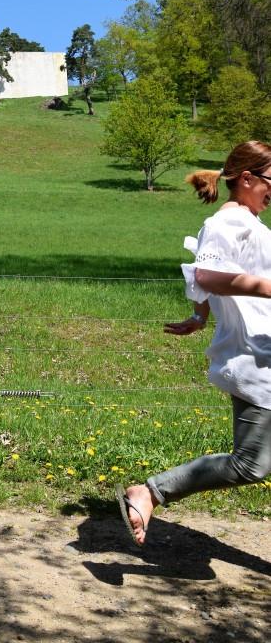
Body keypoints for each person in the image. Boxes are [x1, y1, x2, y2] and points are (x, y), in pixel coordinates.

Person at [117, 140, 271, 546]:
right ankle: (151, 492)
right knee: (249, 465)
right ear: (249, 178)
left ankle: (153, 492)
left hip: (261, 347)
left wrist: (199, 316)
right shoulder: (229, 223)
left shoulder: (247, 224)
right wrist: (266, 287)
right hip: (256, 356)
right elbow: (205, 274)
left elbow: (206, 277)